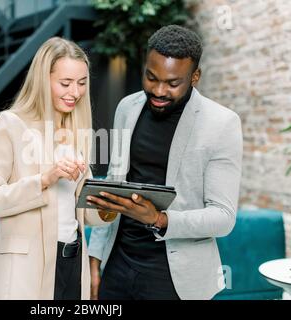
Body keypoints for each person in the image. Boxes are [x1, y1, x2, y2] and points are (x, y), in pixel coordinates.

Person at [87, 25, 243, 300]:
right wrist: (95, 261)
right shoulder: (126, 108)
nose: (158, 91)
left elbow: (223, 217)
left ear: (195, 76)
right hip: (117, 265)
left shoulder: (222, 124)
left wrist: (160, 219)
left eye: (173, 83)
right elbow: (114, 184)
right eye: (151, 77)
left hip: (176, 278)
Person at [0, 37, 114, 300]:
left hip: (73, 260)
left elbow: (82, 212)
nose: (75, 92)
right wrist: (44, 179)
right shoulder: (10, 125)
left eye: (82, 83)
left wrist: (109, 205)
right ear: (42, 80)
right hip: (25, 269)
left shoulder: (76, 131)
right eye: (65, 83)